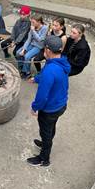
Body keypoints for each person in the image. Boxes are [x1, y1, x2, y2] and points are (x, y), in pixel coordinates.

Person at [27, 36, 70, 167]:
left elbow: (42, 96)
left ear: (48, 50)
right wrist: (37, 79)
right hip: (61, 105)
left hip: (50, 109)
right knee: (51, 128)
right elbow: (50, 78)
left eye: (44, 48)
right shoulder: (61, 62)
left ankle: (44, 159)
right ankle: (46, 141)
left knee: (45, 131)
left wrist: (34, 107)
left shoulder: (50, 69)